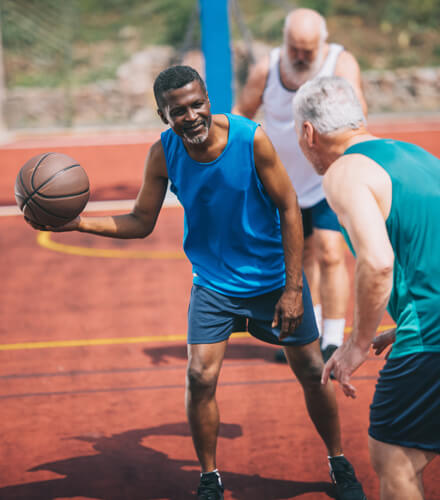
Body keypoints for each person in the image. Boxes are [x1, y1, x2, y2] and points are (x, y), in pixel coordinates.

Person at [26, 66, 366, 500]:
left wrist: (294, 288)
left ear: (208, 100)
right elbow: (140, 221)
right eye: (177, 111)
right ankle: (209, 476)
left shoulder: (250, 139)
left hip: (271, 280)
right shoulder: (163, 153)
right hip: (214, 286)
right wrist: (77, 223)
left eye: (196, 104)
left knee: (312, 370)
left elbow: (289, 207)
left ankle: (338, 462)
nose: (190, 116)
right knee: (199, 377)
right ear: (162, 115)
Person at [293, 75, 440, 500]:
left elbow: (377, 262)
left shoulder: (344, 172)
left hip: (429, 339)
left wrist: (355, 344)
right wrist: (400, 321)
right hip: (426, 325)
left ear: (308, 133)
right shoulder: (420, 157)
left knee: (396, 461)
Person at [233, 8, 368, 364]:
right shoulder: (268, 68)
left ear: (322, 43)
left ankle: (335, 340)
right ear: (285, 41)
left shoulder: (340, 64)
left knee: (330, 251)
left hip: (327, 176)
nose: (300, 56)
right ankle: (311, 331)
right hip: (284, 183)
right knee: (301, 255)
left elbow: (358, 117)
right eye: (295, 48)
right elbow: (240, 115)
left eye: (308, 49)